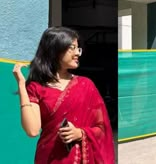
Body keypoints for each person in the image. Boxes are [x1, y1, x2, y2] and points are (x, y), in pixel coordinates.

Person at [13, 27, 115, 164]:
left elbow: (102, 129)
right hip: (48, 158)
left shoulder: (86, 85)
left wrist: (80, 133)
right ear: (55, 50)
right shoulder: (36, 87)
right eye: (71, 48)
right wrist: (21, 85)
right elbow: (32, 130)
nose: (77, 53)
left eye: (78, 48)